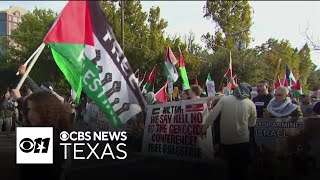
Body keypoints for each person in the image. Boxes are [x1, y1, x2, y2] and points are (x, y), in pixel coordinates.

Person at [11, 89, 72, 180]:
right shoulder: (59, 129)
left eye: (36, 111)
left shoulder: (39, 136)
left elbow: (29, 173)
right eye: (29, 109)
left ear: (48, 111)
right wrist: (19, 99)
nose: (30, 114)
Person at [201, 81, 257, 180]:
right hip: (243, 140)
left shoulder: (224, 99)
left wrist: (204, 129)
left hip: (226, 140)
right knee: (242, 167)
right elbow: (252, 124)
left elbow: (212, 115)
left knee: (231, 165)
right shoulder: (250, 103)